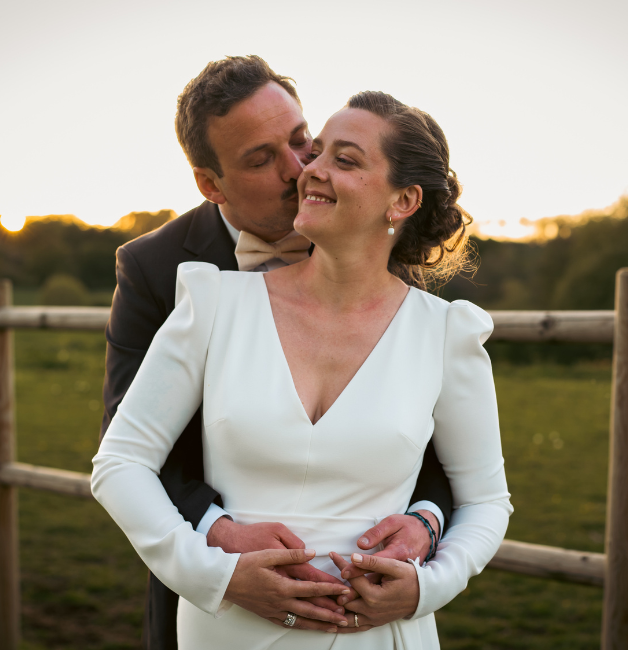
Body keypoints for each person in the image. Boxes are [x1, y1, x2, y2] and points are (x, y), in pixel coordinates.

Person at [92, 89, 513, 649]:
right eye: (317, 153)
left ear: (403, 201)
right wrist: (215, 572)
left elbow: (485, 498)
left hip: (381, 635)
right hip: (227, 627)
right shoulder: (211, 301)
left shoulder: (444, 333)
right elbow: (120, 461)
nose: (305, 171)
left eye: (343, 158)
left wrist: (426, 587)